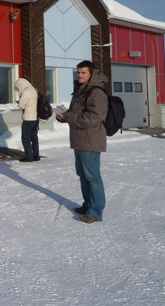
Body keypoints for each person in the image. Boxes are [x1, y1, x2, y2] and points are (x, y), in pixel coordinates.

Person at [56, 60, 108, 224]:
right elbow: (77, 113)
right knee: (83, 175)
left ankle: (95, 211)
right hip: (79, 139)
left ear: (91, 74)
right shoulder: (81, 90)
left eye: (83, 72)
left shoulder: (96, 92)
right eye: (78, 72)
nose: (79, 75)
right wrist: (65, 117)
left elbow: (93, 117)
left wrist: (70, 117)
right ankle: (88, 205)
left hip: (90, 140)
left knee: (92, 176)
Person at [14, 78, 39, 163]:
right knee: (34, 137)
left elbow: (21, 106)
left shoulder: (25, 92)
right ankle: (36, 155)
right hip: (34, 117)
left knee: (25, 138)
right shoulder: (33, 90)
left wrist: (19, 100)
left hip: (28, 118)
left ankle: (29, 156)